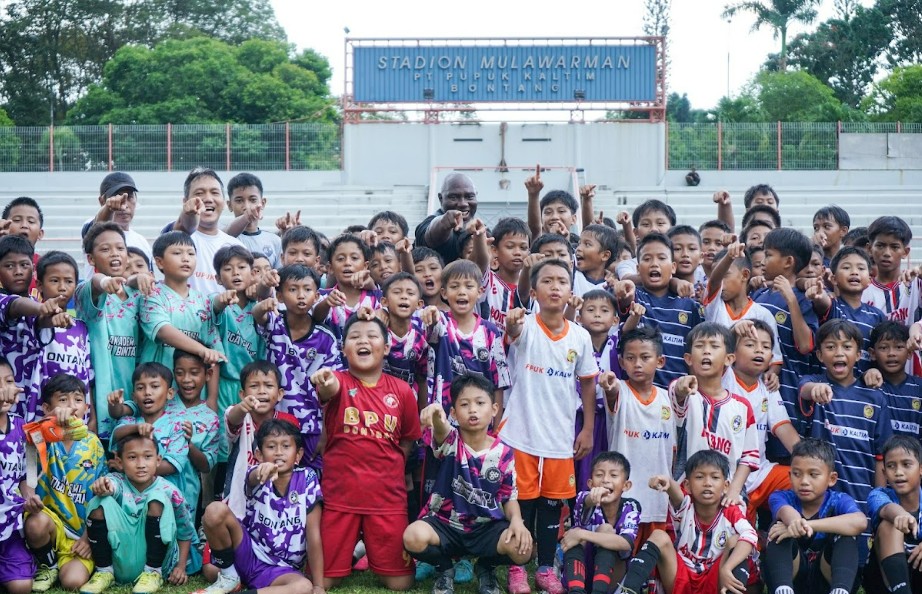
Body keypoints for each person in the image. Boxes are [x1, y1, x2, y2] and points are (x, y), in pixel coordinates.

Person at [500, 259, 600, 594]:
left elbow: (587, 383)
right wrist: (513, 322)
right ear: (534, 291)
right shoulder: (524, 326)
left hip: (559, 438)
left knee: (551, 506)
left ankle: (544, 568)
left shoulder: (581, 337)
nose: (555, 287)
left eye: (562, 281)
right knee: (523, 505)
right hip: (522, 434)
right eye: (548, 281)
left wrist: (586, 428)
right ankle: (517, 568)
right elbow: (511, 331)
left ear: (571, 292)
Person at [311, 315, 422, 591]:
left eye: (372, 336)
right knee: (324, 580)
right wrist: (323, 380)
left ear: (385, 348)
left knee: (401, 583)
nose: (363, 340)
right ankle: (354, 549)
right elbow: (328, 387)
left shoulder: (403, 391)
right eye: (355, 336)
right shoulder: (337, 380)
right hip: (340, 497)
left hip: (387, 499)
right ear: (344, 348)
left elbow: (407, 442)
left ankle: (364, 549)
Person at [404, 375, 532, 594]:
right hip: (445, 525)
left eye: (480, 403)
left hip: (485, 529)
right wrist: (436, 413)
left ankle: (485, 567)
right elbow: (441, 428)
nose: (473, 410)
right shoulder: (451, 441)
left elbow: (508, 497)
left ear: (494, 409)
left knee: (522, 550)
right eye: (464, 404)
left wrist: (518, 522)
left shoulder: (504, 453)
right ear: (454, 413)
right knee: (412, 537)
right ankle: (444, 569)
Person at [799, 319, 893, 566]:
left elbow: (881, 456)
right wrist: (814, 389)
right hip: (821, 496)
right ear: (819, 354)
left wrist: (877, 498)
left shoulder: (875, 398)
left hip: (861, 492)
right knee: (814, 563)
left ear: (859, 354)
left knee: (855, 565)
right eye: (830, 347)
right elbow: (805, 389)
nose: (839, 353)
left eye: (846, 347)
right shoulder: (815, 386)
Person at [196, 420, 323, 594]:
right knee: (214, 510)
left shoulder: (307, 479)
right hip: (248, 552)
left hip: (281, 569)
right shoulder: (255, 473)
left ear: (299, 454)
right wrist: (261, 470)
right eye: (271, 447)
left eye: (286, 446)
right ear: (259, 454)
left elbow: (313, 534)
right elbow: (253, 478)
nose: (279, 453)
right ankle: (230, 577)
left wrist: (319, 586)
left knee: (304, 587)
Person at [615, 450, 758, 594]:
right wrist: (667, 482)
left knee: (736, 541)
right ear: (688, 485)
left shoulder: (731, 510)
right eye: (700, 477)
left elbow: (750, 536)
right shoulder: (687, 506)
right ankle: (628, 589)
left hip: (716, 580)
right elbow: (676, 495)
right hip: (683, 580)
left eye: (714, 477)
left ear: (726, 486)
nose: (707, 483)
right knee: (659, 536)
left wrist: (727, 568)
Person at [81, 434, 199, 593]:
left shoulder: (170, 491)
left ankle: (153, 573)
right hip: (123, 557)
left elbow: (185, 532)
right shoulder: (118, 481)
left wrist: (181, 567)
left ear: (158, 460)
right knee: (100, 500)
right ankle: (104, 571)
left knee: (156, 498)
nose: (141, 464)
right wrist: (103, 486)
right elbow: (111, 485)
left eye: (148, 457)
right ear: (120, 463)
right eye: (132, 457)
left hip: (158, 562)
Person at [22, 374, 104, 593]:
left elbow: (101, 497)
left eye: (77, 400)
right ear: (47, 407)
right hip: (50, 524)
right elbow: (29, 475)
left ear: (86, 406)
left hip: (80, 533)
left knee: (73, 582)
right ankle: (48, 565)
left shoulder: (94, 443)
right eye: (63, 400)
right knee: (35, 523)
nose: (71, 407)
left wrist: (89, 538)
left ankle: (65, 565)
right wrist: (49, 424)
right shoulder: (38, 436)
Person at [253, 264, 341, 469]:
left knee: (313, 482)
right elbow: (258, 314)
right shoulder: (275, 325)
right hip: (277, 425)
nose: (301, 295)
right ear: (281, 296)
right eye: (293, 289)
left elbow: (332, 393)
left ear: (316, 295)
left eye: (307, 289)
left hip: (313, 426)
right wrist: (264, 300)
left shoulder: (325, 338)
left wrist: (325, 434)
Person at [762, 439, 865, 594]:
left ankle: (840, 590)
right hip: (794, 576)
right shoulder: (780, 497)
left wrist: (811, 525)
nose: (804, 481)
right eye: (797, 474)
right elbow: (788, 513)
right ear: (789, 477)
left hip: (826, 576)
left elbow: (860, 522)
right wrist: (794, 523)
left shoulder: (838, 500)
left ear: (831, 479)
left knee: (846, 535)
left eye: (813, 475)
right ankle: (782, 589)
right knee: (778, 528)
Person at [724, 319, 801, 526]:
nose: (759, 351)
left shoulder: (767, 387)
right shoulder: (723, 377)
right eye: (750, 345)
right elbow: (715, 354)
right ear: (732, 354)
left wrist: (809, 461)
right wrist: (732, 333)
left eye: (766, 347)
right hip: (725, 475)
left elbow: (784, 429)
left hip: (760, 472)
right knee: (742, 544)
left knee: (806, 482)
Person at [77, 223, 150, 441]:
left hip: (134, 399)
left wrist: (135, 280)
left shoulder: (138, 296)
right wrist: (106, 281)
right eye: (105, 249)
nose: (115, 254)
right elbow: (96, 282)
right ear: (91, 259)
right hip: (101, 402)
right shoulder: (87, 293)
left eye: (120, 248)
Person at [670, 323, 759, 498]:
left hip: (727, 495)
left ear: (729, 359)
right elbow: (678, 391)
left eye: (714, 346)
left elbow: (749, 457)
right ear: (688, 358)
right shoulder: (686, 394)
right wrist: (682, 386)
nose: (706, 351)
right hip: (685, 495)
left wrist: (733, 491)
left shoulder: (742, 406)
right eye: (699, 345)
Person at [605, 326, 674, 547]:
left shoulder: (668, 398)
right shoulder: (620, 391)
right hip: (625, 492)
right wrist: (607, 385)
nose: (637, 364)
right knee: (623, 549)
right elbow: (611, 390)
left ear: (660, 361)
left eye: (645, 357)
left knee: (653, 551)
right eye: (630, 358)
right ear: (621, 362)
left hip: (658, 494)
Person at [622, 232, 704, 389]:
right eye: (647, 259)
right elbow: (624, 298)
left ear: (673, 267)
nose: (654, 264)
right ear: (638, 269)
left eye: (661, 258)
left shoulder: (689, 306)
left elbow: (695, 351)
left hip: (677, 395)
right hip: (638, 396)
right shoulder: (634, 297)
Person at [139, 231, 225, 372]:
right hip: (157, 385)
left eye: (191, 254)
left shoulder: (203, 301)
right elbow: (162, 331)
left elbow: (214, 351)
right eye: (177, 253)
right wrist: (201, 350)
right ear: (159, 262)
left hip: (194, 389)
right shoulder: (151, 294)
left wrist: (211, 395)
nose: (186, 259)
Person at [561, 452, 640, 594]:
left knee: (605, 531)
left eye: (613, 475)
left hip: (613, 576)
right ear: (590, 484)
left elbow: (626, 543)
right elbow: (586, 500)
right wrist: (593, 498)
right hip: (582, 572)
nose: (605, 480)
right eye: (599, 475)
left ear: (626, 485)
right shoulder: (583, 499)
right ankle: (576, 591)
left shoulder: (631, 507)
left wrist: (581, 534)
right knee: (576, 538)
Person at [110, 363, 190, 496]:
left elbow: (172, 465)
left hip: (166, 496)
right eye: (140, 388)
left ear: (170, 393)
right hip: (130, 496)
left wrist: (132, 469)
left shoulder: (177, 425)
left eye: (155, 386)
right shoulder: (130, 420)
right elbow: (117, 434)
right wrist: (136, 429)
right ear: (134, 397)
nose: (147, 392)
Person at [808, 246, 886, 372]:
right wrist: (818, 294)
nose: (854, 272)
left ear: (869, 281)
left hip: (864, 387)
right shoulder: (833, 305)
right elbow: (822, 301)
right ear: (833, 279)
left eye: (861, 268)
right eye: (846, 267)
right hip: (829, 387)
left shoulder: (877, 316)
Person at [864, 435, 922, 594]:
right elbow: (886, 508)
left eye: (906, 464)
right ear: (884, 472)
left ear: (921, 469)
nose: (898, 472)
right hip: (883, 581)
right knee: (890, 524)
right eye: (891, 466)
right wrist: (901, 515)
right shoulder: (878, 494)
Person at [172, 167, 244, 295]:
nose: (208, 199)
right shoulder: (175, 239)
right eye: (199, 193)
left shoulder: (237, 246)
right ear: (185, 202)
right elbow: (180, 229)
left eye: (215, 193)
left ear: (224, 201)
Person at [172, 350, 219, 520]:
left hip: (188, 493)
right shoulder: (163, 403)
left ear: (208, 374)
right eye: (179, 373)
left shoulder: (210, 419)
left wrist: (189, 445)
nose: (186, 379)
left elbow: (206, 465)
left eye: (194, 373)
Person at [80, 172, 152, 278]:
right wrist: (109, 209)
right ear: (102, 201)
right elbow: (99, 226)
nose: (124, 205)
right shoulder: (91, 228)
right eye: (117, 198)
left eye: (129, 197)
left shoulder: (142, 242)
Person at [0, 358, 32, 594]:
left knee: (21, 586)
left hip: (10, 526)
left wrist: (29, 494)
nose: (5, 390)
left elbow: (26, 474)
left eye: (9, 382)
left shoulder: (22, 427)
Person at [870, 321, 922, 439]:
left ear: (909, 352)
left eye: (898, 347)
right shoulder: (870, 386)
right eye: (884, 347)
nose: (891, 353)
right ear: (872, 353)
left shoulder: (919, 389)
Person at [415, 173, 477, 264]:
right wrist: (443, 223)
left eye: (469, 196)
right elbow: (430, 233)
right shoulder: (430, 223)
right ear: (441, 199)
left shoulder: (480, 229)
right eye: (453, 197)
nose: (463, 203)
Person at [224, 172, 282, 268]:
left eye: (252, 200)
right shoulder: (225, 238)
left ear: (262, 203)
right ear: (230, 205)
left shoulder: (275, 241)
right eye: (239, 200)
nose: (247, 207)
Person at [1, 196, 45, 298]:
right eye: (17, 220)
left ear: (40, 233)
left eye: (31, 221)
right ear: (4, 226)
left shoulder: (46, 267)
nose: (24, 225)